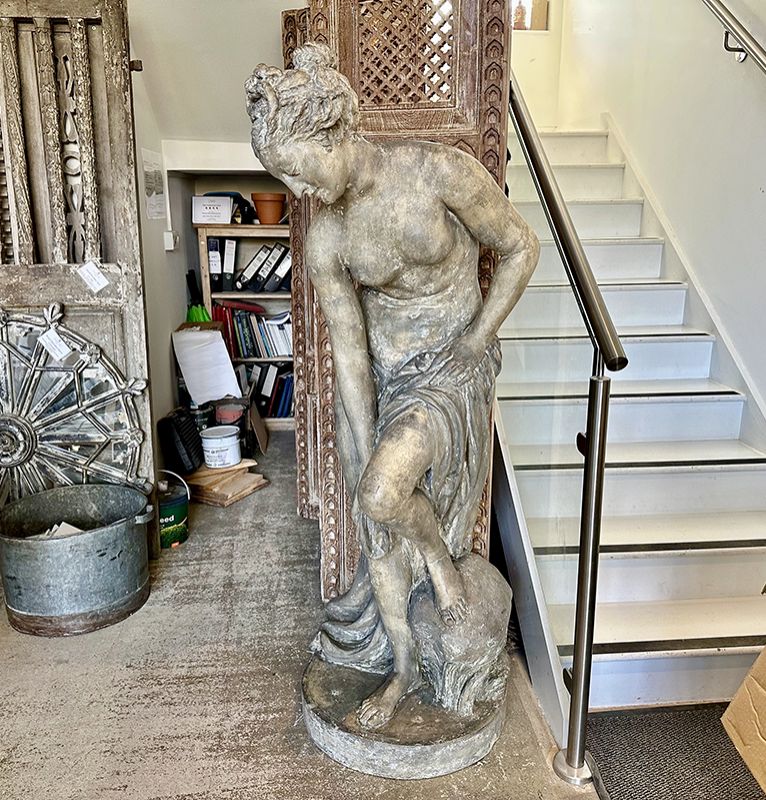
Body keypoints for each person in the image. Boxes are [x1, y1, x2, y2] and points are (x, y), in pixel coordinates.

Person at [246, 43, 539, 730]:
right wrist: (359, 437)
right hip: (384, 381)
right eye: (282, 178)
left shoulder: (437, 171)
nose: (296, 191)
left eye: (297, 170)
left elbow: (521, 247)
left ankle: (440, 564)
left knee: (382, 494)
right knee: (374, 521)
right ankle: (404, 666)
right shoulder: (327, 241)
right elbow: (349, 354)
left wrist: (476, 339)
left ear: (330, 133)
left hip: (450, 371)